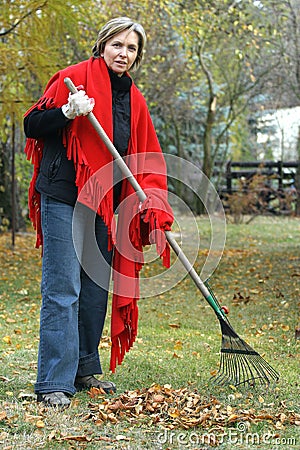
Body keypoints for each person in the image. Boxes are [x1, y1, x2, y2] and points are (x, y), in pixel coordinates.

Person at [24, 17, 173, 408]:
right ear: (103, 44)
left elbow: (144, 158)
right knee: (63, 290)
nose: (123, 53)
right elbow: (32, 125)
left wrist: (152, 200)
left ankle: (84, 367)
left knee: (93, 291)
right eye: (117, 45)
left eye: (131, 48)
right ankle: (54, 380)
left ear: (137, 56)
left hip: (103, 205)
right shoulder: (71, 78)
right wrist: (67, 113)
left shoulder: (133, 100)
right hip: (62, 197)